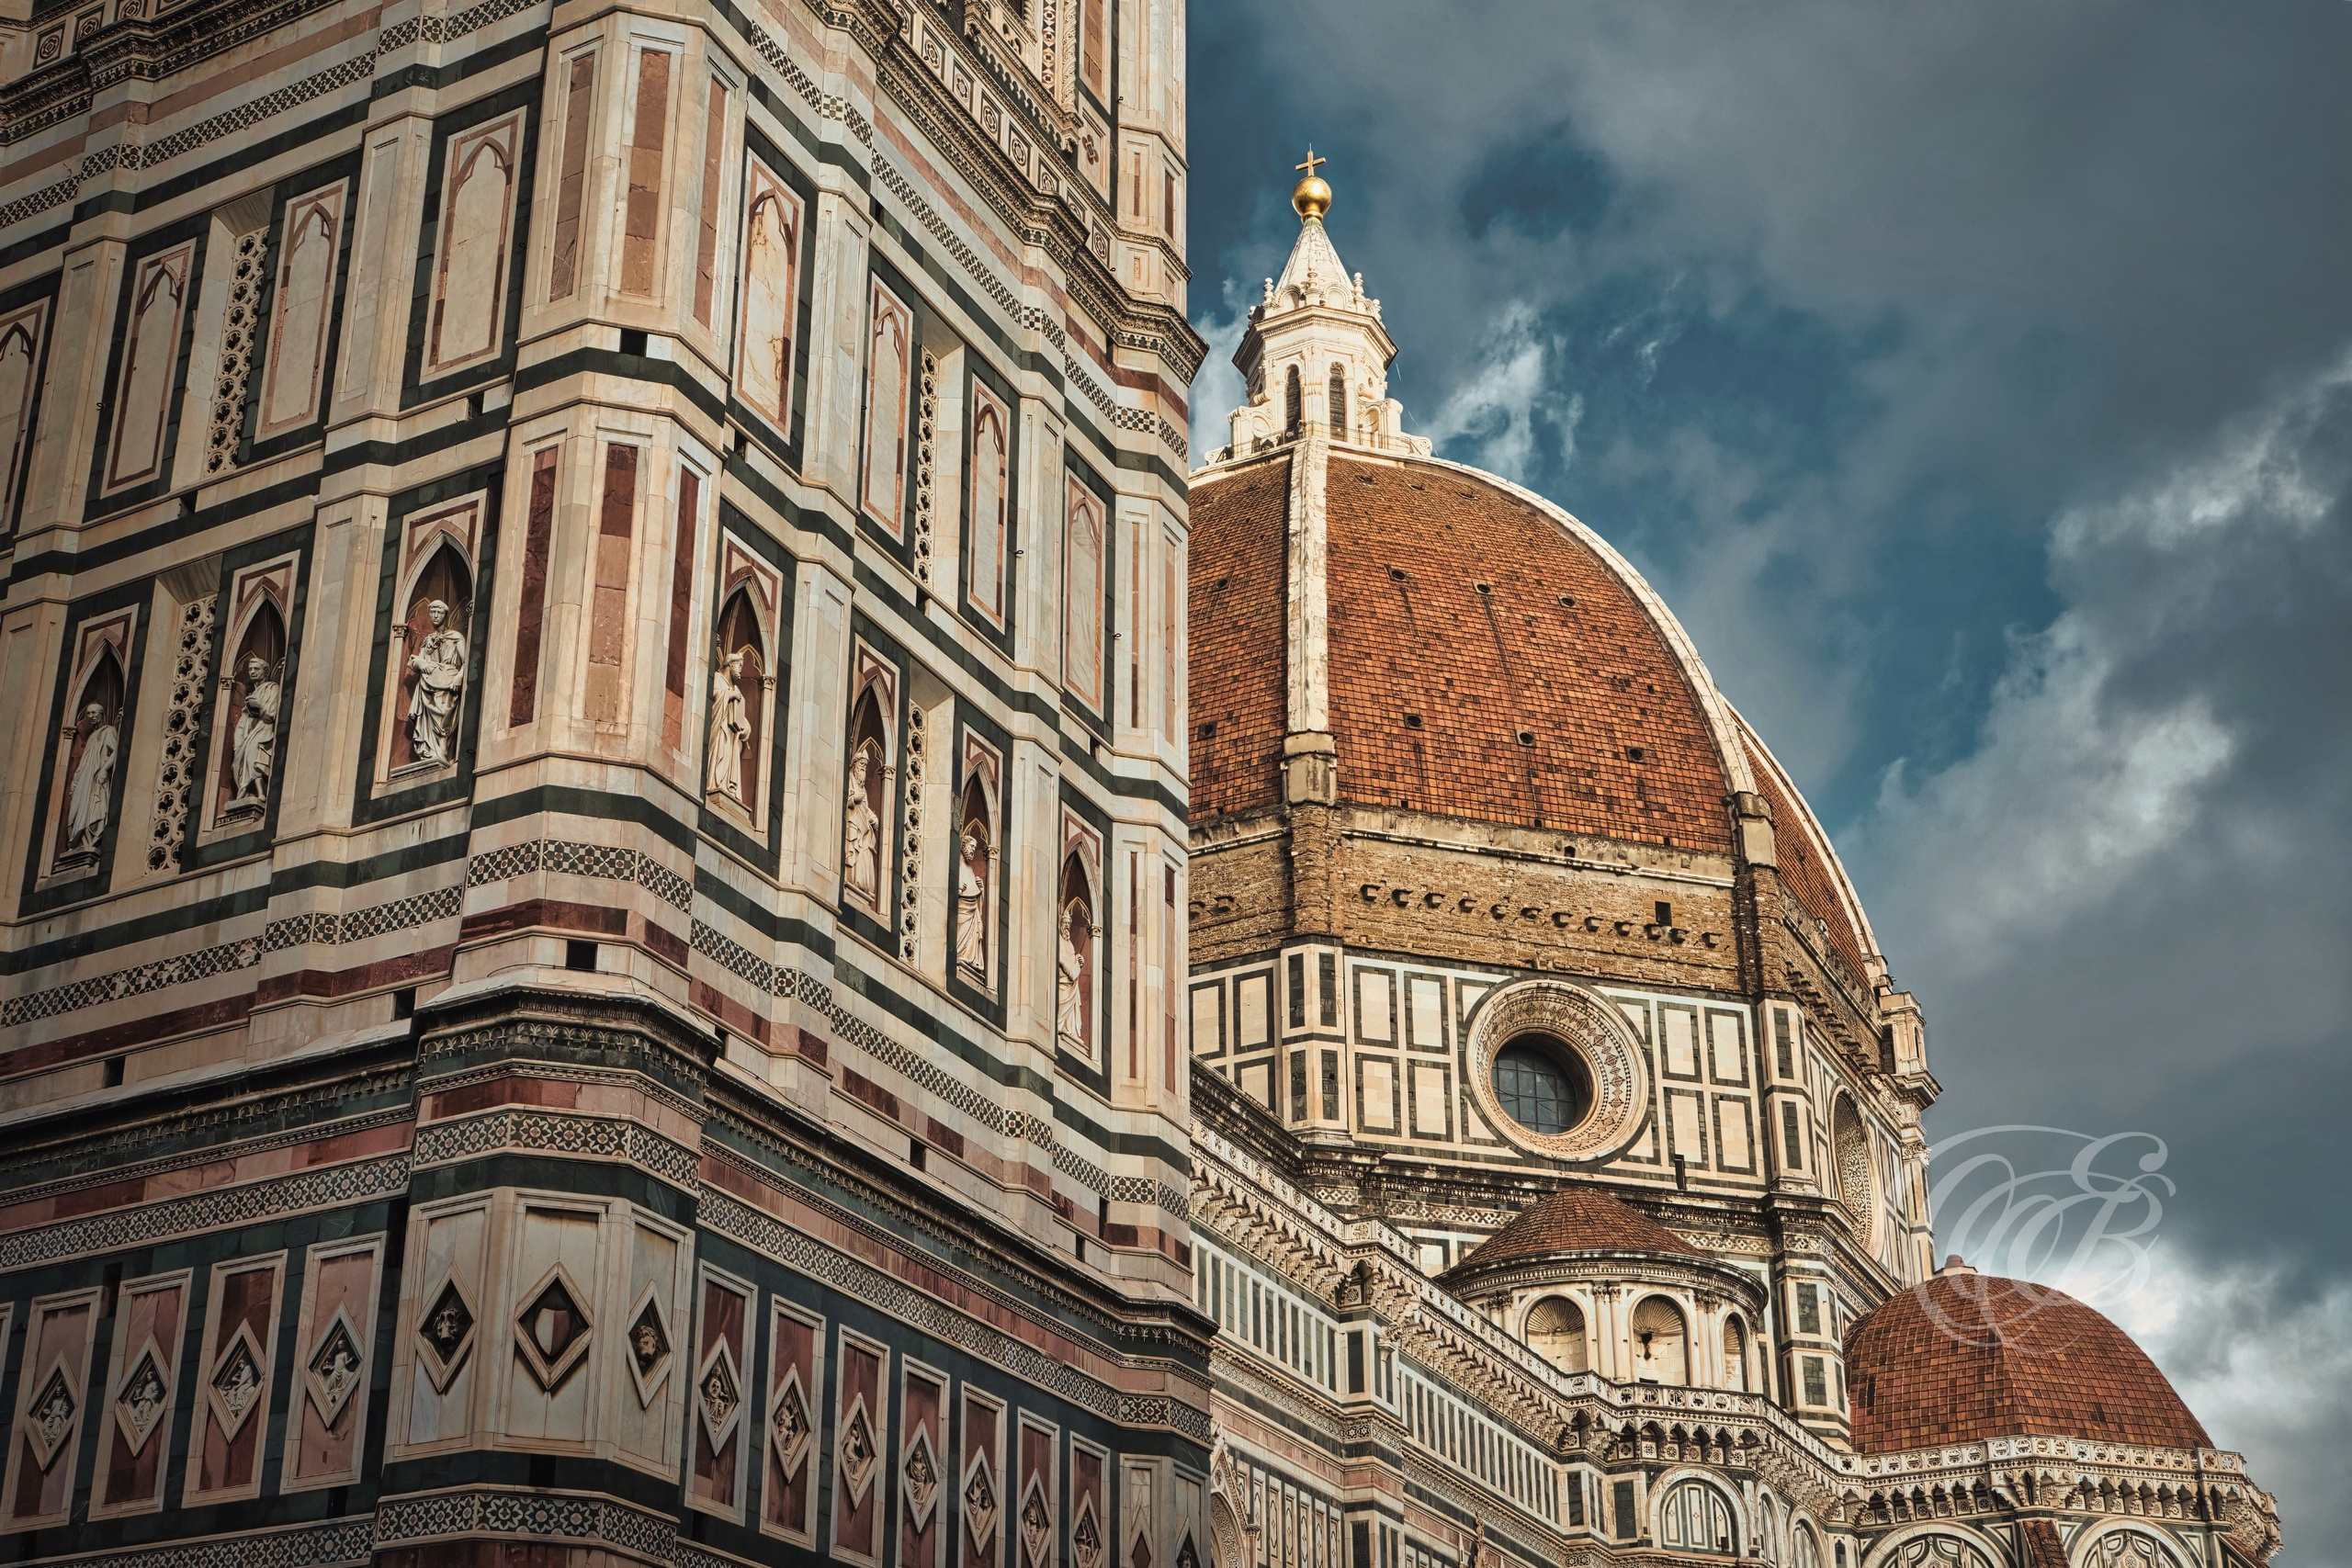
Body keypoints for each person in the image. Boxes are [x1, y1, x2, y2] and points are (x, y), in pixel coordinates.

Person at [406, 599, 466, 767]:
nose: (436, 616)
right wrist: (420, 663)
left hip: (447, 685)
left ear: (445, 615)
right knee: (427, 723)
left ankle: (441, 755)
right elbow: (417, 662)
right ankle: (429, 754)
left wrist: (459, 677)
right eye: (433, 612)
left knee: (443, 724)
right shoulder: (428, 641)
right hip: (428, 687)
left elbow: (467, 661)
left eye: (439, 613)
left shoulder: (455, 638)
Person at [62, 700, 119, 858]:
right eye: (88, 713)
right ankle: (78, 842)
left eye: (94, 713)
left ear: (102, 714)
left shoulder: (109, 731)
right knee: (76, 809)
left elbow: (115, 751)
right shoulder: (93, 736)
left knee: (94, 808)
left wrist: (104, 770)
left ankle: (90, 842)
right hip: (85, 777)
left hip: (96, 778)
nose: (91, 716)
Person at [228, 654, 279, 807]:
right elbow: (244, 718)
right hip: (248, 732)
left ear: (264, 671)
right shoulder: (253, 693)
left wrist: (259, 707)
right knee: (240, 761)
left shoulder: (273, 688)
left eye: (256, 669)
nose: (252, 672)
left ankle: (260, 793)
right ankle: (246, 793)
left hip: (263, 730)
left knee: (253, 757)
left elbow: (271, 715)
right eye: (250, 669)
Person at [707, 650, 752, 803]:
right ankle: (715, 783)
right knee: (718, 754)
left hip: (732, 737)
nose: (740, 670)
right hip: (720, 729)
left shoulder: (736, 690)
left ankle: (728, 787)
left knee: (728, 755)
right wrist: (729, 695)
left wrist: (746, 728)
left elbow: (740, 715)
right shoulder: (717, 678)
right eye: (738, 666)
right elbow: (713, 695)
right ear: (730, 665)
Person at [842, 747, 881, 904]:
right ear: (855, 767)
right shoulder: (849, 780)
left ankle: (863, 886)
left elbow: (866, 808)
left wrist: (873, 818)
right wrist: (853, 799)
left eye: (865, 768)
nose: (864, 771)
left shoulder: (864, 789)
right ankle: (852, 880)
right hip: (853, 824)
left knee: (865, 852)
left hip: (863, 827)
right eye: (862, 767)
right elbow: (845, 798)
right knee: (854, 849)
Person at [1057, 898, 1089, 1049]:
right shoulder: (1058, 942)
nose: (1067, 927)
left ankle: (1071, 1031)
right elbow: (1062, 961)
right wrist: (1071, 967)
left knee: (1074, 1004)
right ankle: (1061, 1026)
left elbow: (1071, 961)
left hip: (1071, 982)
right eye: (1065, 924)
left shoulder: (1069, 943)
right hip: (1063, 981)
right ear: (1060, 924)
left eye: (1069, 925)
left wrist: (1079, 961)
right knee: (1061, 1004)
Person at [956, 830, 988, 976]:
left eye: (975, 848)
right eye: (972, 847)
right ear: (963, 846)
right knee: (961, 931)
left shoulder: (971, 870)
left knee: (972, 935)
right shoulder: (957, 866)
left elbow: (976, 900)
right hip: (962, 912)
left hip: (971, 913)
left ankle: (968, 957)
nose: (974, 851)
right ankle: (961, 953)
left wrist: (981, 890)